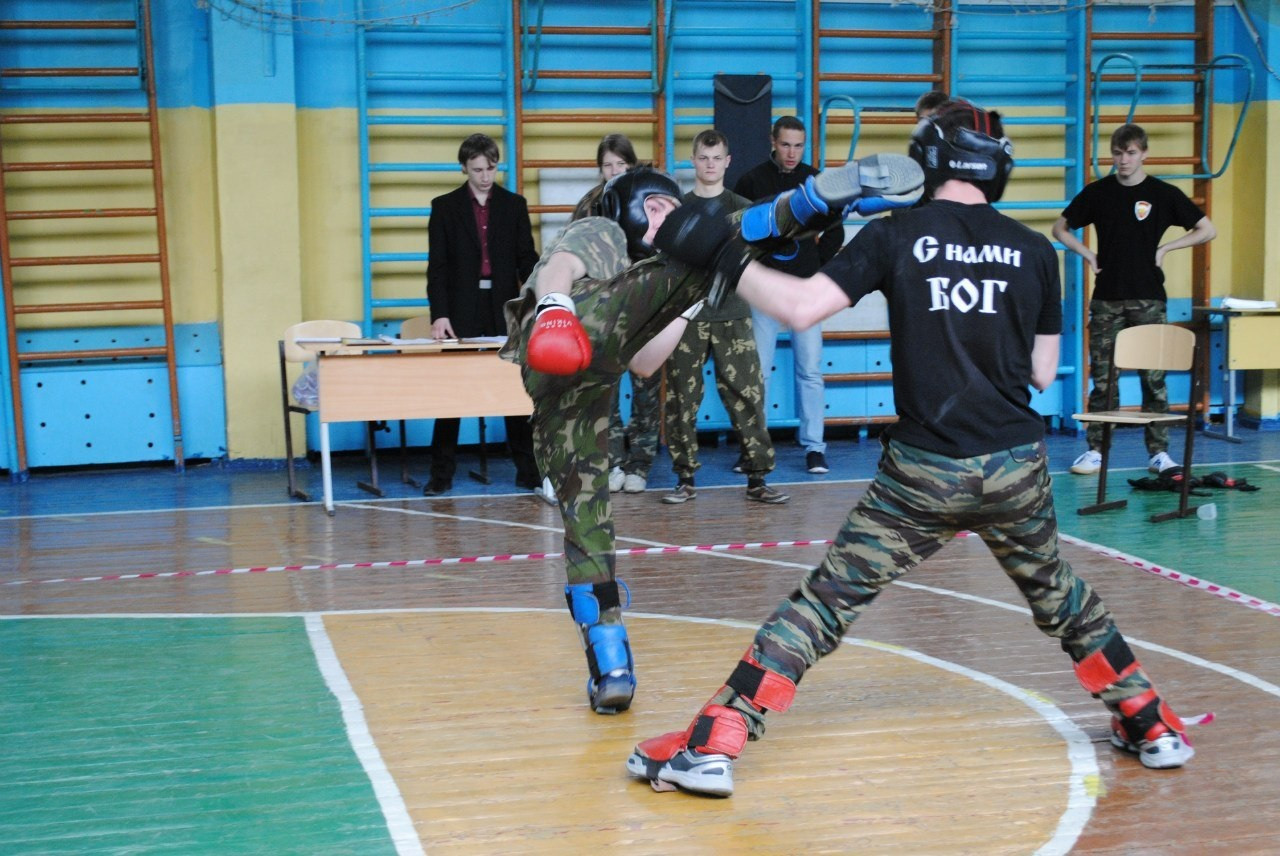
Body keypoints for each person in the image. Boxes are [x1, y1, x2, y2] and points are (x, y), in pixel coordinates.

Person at [626, 101, 1198, 799]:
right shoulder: (1035, 250)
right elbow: (1044, 375)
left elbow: (800, 308)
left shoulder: (897, 234)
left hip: (925, 472)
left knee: (827, 600)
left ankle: (717, 737)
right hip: (1018, 465)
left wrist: (710, 244)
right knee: (1059, 596)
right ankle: (1149, 722)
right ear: (1000, 169)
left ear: (928, 159)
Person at [501, 157, 923, 717]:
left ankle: (612, 667)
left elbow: (648, 363)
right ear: (636, 208)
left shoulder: (651, 273)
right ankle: (803, 205)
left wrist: (695, 290)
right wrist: (555, 308)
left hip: (578, 390)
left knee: (588, 524)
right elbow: (562, 267)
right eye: (659, 209)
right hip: (562, 326)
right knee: (704, 245)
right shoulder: (599, 229)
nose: (667, 220)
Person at [1052, 123, 1216, 476]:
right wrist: (1087, 255)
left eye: (1130, 153)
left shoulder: (1163, 193)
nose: (1123, 160)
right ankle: (1096, 450)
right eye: (1117, 153)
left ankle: (1158, 453)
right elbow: (1060, 228)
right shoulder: (1098, 193)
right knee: (1103, 378)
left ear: (1143, 154)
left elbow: (1207, 228)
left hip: (1149, 298)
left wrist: (1168, 248)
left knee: (1153, 378)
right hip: (1107, 298)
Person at [662, 129, 787, 506]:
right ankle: (684, 478)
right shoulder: (678, 210)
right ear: (693, 160)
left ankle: (757, 479)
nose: (710, 164)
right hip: (689, 317)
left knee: (747, 396)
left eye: (717, 158)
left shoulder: (744, 209)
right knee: (682, 399)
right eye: (703, 158)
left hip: (733, 315)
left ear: (727, 162)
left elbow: (759, 259)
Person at [424, 133, 541, 495]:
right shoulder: (444, 207)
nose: (486, 176)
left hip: (505, 305)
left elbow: (527, 260)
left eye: (491, 168)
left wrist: (538, 302)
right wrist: (440, 315)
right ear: (464, 168)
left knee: (515, 390)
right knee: (452, 393)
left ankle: (528, 471)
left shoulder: (514, 205)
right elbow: (438, 267)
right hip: (461, 307)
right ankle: (441, 474)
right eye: (477, 170)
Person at [734, 116, 844, 476]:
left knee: (810, 370)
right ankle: (754, 448)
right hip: (765, 292)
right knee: (758, 372)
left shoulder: (817, 181)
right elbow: (740, 232)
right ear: (773, 141)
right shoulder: (752, 180)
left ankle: (815, 447)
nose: (792, 152)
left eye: (798, 145)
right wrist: (756, 272)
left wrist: (818, 268)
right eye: (785, 144)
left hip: (805, 293)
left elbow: (835, 232)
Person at [574, 134, 662, 495]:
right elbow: (575, 252)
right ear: (599, 169)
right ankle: (611, 462)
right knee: (605, 391)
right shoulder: (589, 204)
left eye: (620, 165)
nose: (613, 171)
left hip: (644, 303)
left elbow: (664, 246)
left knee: (646, 388)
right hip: (604, 308)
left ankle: (640, 463)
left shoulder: (649, 197)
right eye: (607, 165)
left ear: (631, 165)